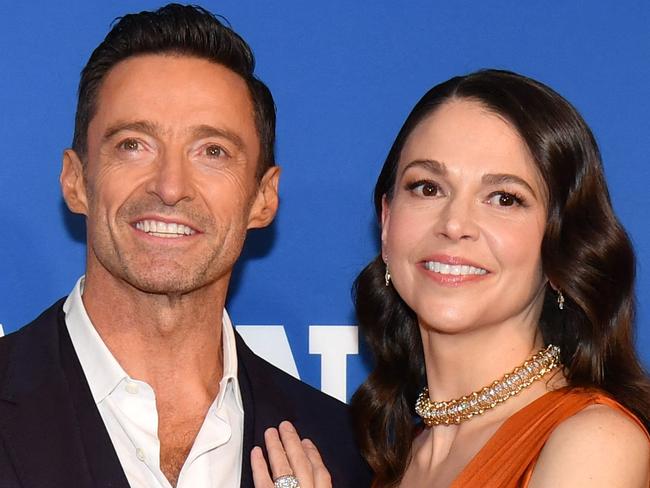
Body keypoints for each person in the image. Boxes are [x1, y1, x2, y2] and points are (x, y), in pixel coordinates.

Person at [0, 4, 370, 488]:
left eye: (212, 151)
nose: (170, 186)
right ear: (76, 181)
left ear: (262, 198)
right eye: (134, 144)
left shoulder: (341, 449)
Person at [252, 69, 650, 487]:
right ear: (386, 225)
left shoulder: (594, 441)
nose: (456, 223)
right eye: (427, 188)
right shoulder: (401, 458)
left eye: (504, 198)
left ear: (562, 245)